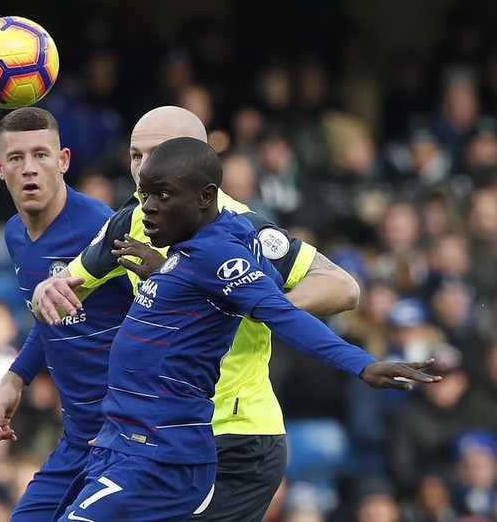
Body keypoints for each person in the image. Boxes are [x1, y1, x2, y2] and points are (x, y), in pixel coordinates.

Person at [31, 106, 430, 522]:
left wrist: (240, 305)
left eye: (159, 154)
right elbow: (61, 289)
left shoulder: (241, 234)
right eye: (135, 156)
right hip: (149, 436)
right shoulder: (138, 221)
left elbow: (342, 287)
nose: (143, 169)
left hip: (232, 437)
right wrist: (38, 313)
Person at [0, 106, 134, 521]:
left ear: (63, 161)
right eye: (16, 158)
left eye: (41, 155)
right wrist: (15, 378)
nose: (29, 169)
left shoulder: (101, 226)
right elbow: (50, 316)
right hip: (79, 439)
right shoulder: (14, 234)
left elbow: (155, 309)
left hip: (128, 439)